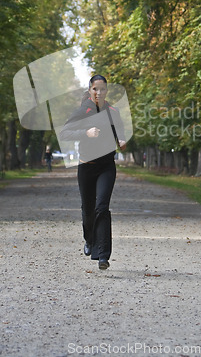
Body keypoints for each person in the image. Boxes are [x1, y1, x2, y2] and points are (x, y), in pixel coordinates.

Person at [60, 75, 126, 270]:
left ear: (106, 91)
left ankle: (103, 256)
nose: (99, 93)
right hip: (86, 166)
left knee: (102, 207)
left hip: (106, 166)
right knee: (88, 210)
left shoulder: (113, 111)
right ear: (90, 90)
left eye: (102, 89)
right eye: (95, 89)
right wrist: (85, 133)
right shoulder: (83, 111)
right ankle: (89, 239)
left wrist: (121, 141)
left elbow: (119, 131)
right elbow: (65, 133)